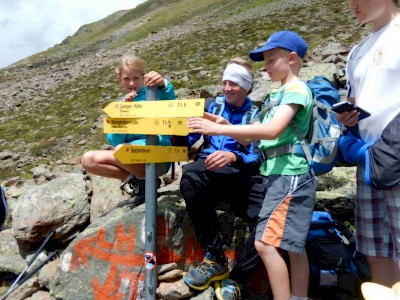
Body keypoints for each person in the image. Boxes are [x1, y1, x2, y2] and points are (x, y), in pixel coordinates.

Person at [187, 31, 316, 300]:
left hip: (290, 173)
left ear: (291, 59)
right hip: (279, 173)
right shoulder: (277, 94)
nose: (265, 67)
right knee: (293, 246)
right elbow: (250, 134)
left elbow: (271, 130)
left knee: (265, 243)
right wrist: (223, 125)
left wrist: (214, 127)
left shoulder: (296, 90)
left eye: (270, 60)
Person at [181, 58, 266, 299]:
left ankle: (236, 279)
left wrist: (233, 156)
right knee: (190, 175)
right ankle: (214, 256)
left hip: (242, 173)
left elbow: (258, 157)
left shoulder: (257, 114)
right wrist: (175, 133)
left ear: (247, 87)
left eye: (235, 84)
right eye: (225, 82)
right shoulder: (211, 106)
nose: (227, 88)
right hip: (209, 169)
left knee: (269, 218)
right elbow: (186, 141)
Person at [336, 0, 400, 288]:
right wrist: (349, 120)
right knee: (377, 251)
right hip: (368, 164)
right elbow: (355, 101)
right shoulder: (356, 52)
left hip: (395, 159)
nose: (353, 5)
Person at [81, 55, 176, 204]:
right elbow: (114, 140)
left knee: (121, 149)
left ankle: (144, 181)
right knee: (88, 160)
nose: (131, 83)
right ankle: (139, 181)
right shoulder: (121, 104)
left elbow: (169, 99)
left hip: (159, 157)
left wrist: (163, 83)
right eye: (126, 79)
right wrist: (123, 113)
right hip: (130, 157)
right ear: (120, 79)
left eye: (136, 78)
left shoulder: (155, 93)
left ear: (144, 78)